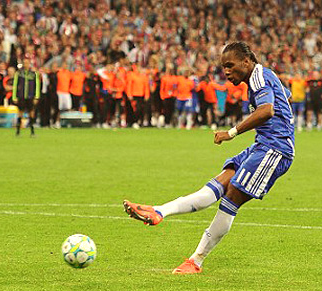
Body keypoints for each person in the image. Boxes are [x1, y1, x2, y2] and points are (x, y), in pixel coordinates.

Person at [123, 41, 295, 274]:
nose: (226, 72)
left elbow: (267, 110)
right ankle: (159, 211)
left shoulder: (257, 77)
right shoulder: (264, 76)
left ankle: (196, 261)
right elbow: (286, 96)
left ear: (247, 61)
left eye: (231, 66)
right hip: (262, 145)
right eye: (224, 67)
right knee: (216, 185)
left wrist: (231, 133)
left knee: (232, 195)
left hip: (275, 150)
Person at [12, 58, 40, 136]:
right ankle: (18, 131)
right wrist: (14, 97)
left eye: (27, 63)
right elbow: (15, 85)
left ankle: (32, 132)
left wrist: (36, 97)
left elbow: (37, 86)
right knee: (20, 113)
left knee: (31, 113)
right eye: (24, 63)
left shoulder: (33, 74)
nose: (26, 64)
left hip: (30, 96)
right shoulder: (19, 73)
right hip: (21, 96)